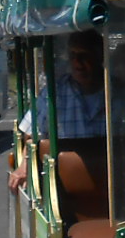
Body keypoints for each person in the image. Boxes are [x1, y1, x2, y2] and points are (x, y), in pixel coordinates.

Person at [7, 31, 106, 193]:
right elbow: (32, 136)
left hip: (113, 189)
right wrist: (24, 166)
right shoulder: (53, 93)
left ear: (99, 57)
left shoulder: (121, 94)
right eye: (72, 56)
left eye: (84, 56)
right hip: (61, 190)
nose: (77, 63)